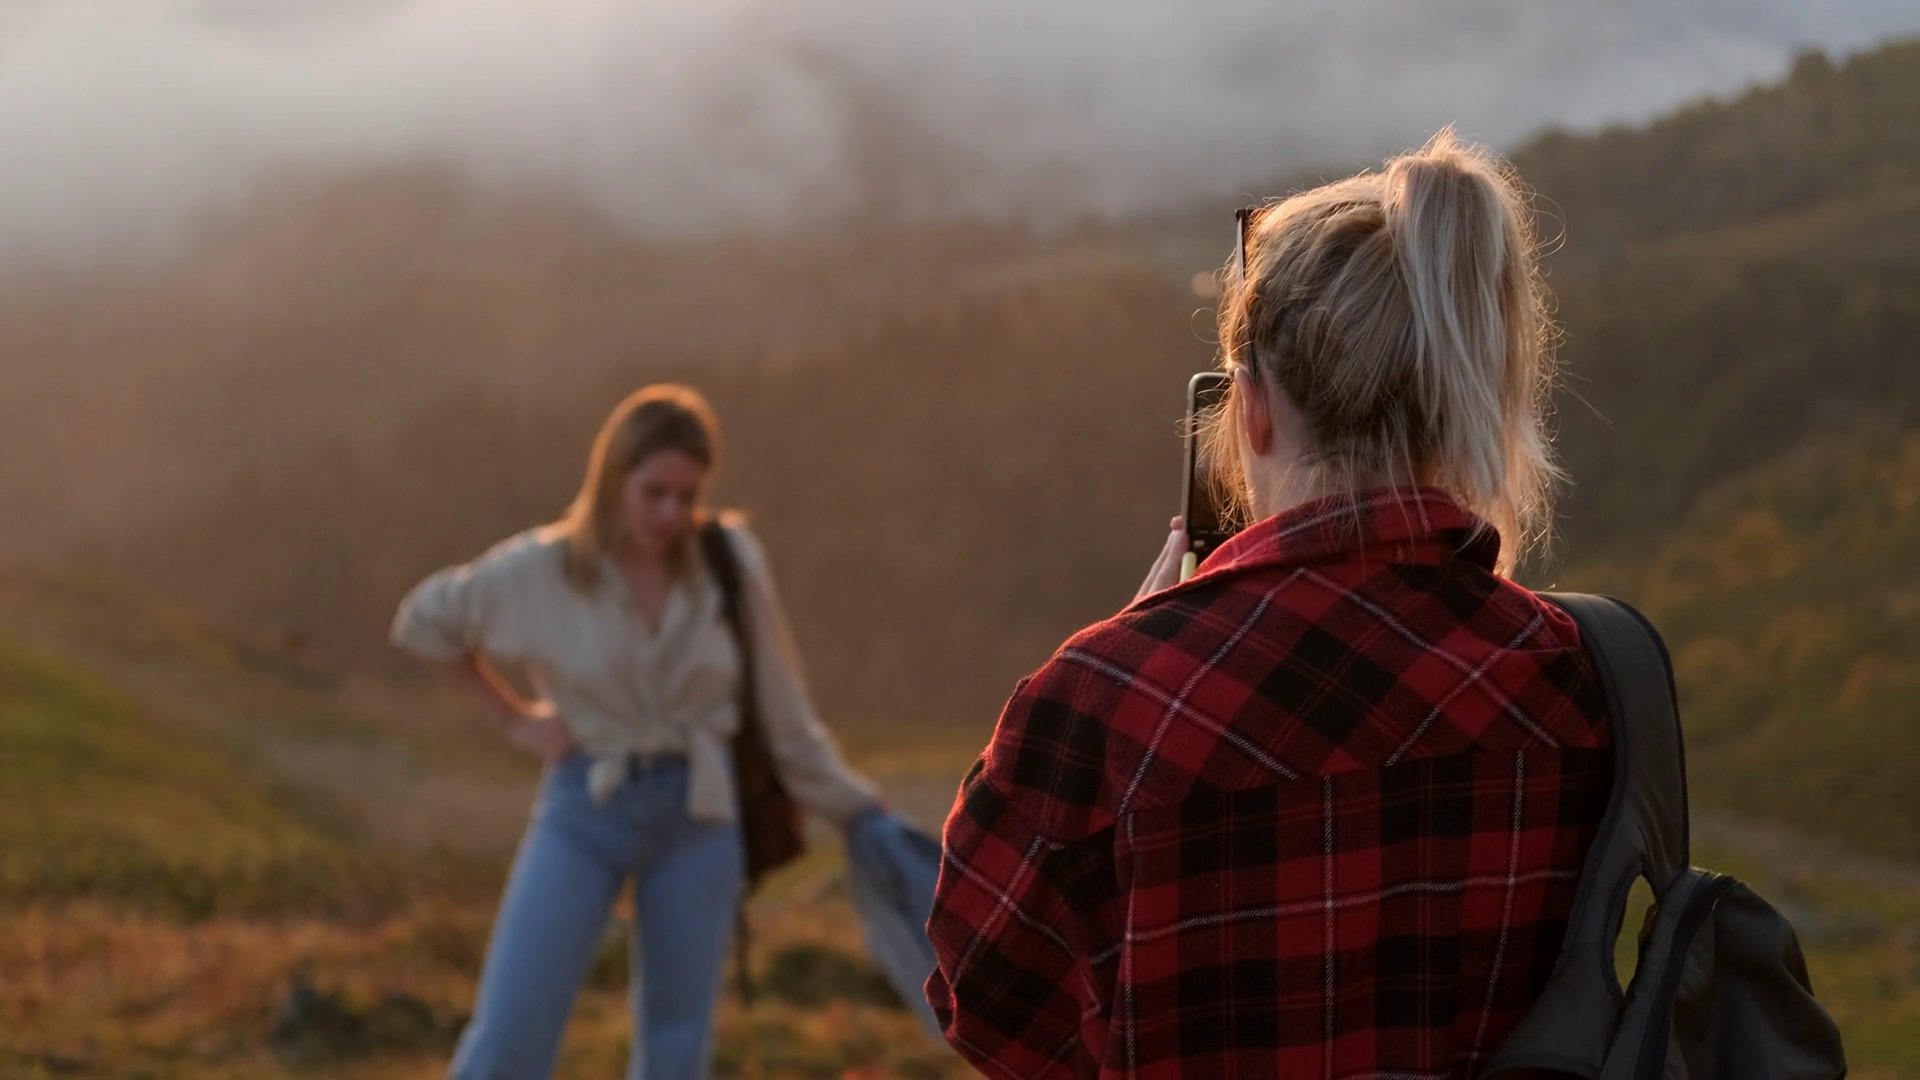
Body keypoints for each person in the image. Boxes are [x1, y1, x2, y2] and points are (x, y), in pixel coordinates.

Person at [926, 130, 1614, 1078]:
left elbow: (982, 997)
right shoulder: (1570, 678)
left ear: (1248, 409)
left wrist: (1127, 646)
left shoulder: (1106, 699)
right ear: (1455, 397)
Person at [391, 384, 881, 1080]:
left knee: (678, 1045)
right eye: (654, 492)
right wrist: (515, 718)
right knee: (508, 1036)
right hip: (586, 804)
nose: (670, 513)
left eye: (687, 496)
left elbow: (783, 707)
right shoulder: (544, 567)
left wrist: (854, 804)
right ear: (612, 477)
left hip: (700, 813)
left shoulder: (726, 560)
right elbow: (426, 621)